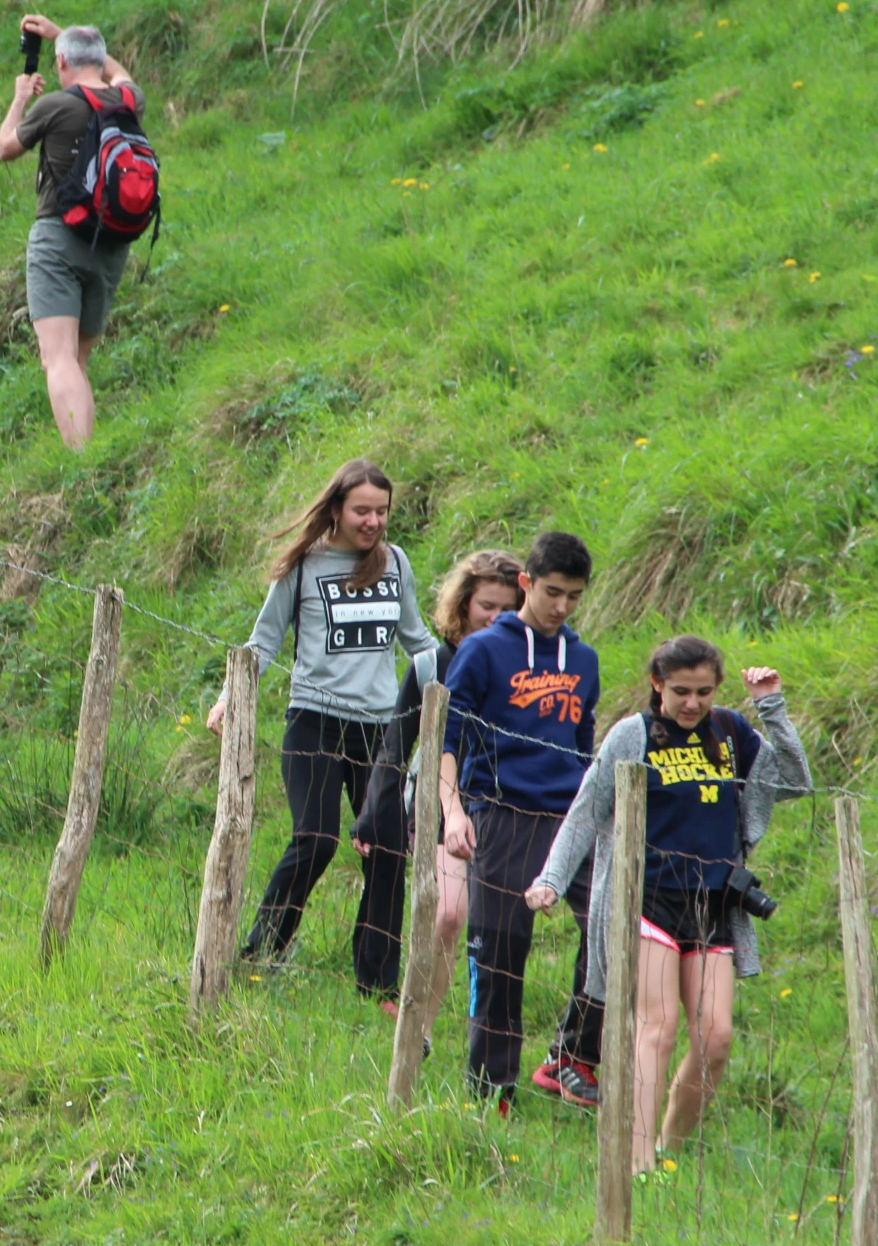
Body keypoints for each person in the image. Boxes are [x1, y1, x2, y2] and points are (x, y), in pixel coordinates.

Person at [526, 638, 809, 1176]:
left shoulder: (730, 732)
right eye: (681, 691)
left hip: (710, 906)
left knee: (717, 1038)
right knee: (655, 1027)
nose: (692, 704)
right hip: (643, 897)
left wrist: (771, 708)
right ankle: (634, 1164)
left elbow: (794, 782)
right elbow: (587, 811)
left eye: (704, 692)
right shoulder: (633, 736)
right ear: (657, 683)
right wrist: (552, 880)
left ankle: (667, 1152)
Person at [208, 459, 437, 998]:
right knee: (315, 839)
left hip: (382, 732)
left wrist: (464, 677)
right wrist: (229, 699)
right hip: (314, 721)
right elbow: (262, 641)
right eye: (362, 510)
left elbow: (420, 642)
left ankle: (377, 984)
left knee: (387, 851)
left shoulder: (396, 563)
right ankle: (262, 951)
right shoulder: (304, 567)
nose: (374, 521)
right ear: (336, 509)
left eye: (382, 511)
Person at [437, 531, 601, 1111]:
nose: (561, 607)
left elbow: (586, 752)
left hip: (569, 817)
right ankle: (491, 1087)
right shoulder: (482, 651)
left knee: (611, 924)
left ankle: (571, 1054)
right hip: (500, 812)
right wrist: (452, 811)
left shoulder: (583, 660)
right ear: (526, 584)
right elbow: (445, 737)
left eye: (574, 597)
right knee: (502, 946)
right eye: (552, 592)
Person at [351, 549, 522, 1025]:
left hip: (511, 803)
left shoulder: (529, 670)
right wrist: (371, 814)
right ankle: (418, 1023)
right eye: (486, 605)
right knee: (448, 916)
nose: (495, 618)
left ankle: (485, 1023)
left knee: (499, 927)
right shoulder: (430, 665)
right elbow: (394, 747)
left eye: (508, 609)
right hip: (440, 804)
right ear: (463, 603)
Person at [0, 15, 141, 451]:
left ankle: (81, 460)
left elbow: (6, 148)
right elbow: (118, 73)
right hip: (113, 241)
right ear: (96, 61)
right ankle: (84, 451)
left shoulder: (56, 105)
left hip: (59, 239)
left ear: (60, 64)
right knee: (77, 360)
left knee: (57, 358)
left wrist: (20, 98)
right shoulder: (129, 100)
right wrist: (65, 36)